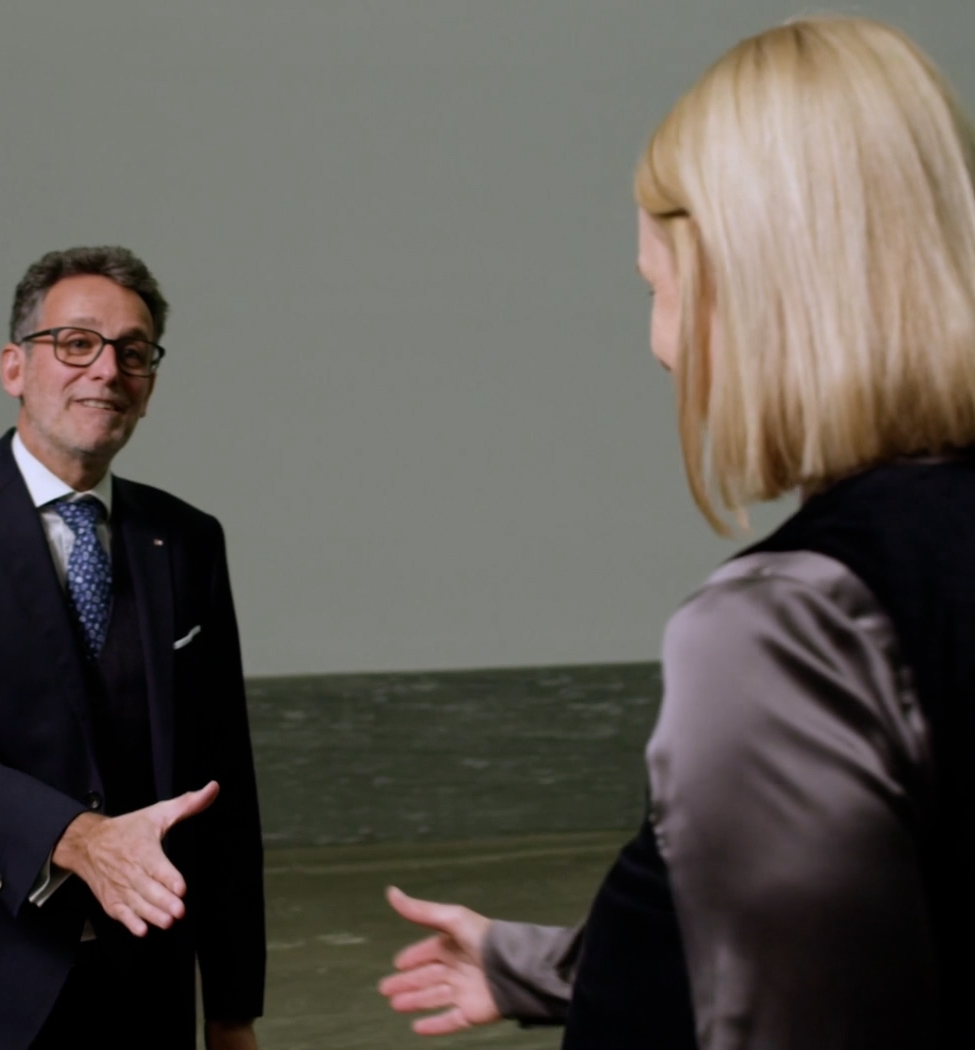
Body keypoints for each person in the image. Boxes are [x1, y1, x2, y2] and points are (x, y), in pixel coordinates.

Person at [379, 15, 975, 1049]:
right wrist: (539, 964)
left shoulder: (790, 622)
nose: (660, 352)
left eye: (656, 293)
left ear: (756, 289)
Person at [0, 247, 264, 1050]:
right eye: (76, 343)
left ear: (150, 383)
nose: (106, 370)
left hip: (142, 985)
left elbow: (224, 786)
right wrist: (75, 838)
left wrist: (232, 1007)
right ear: (14, 366)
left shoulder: (189, 539)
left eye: (132, 352)